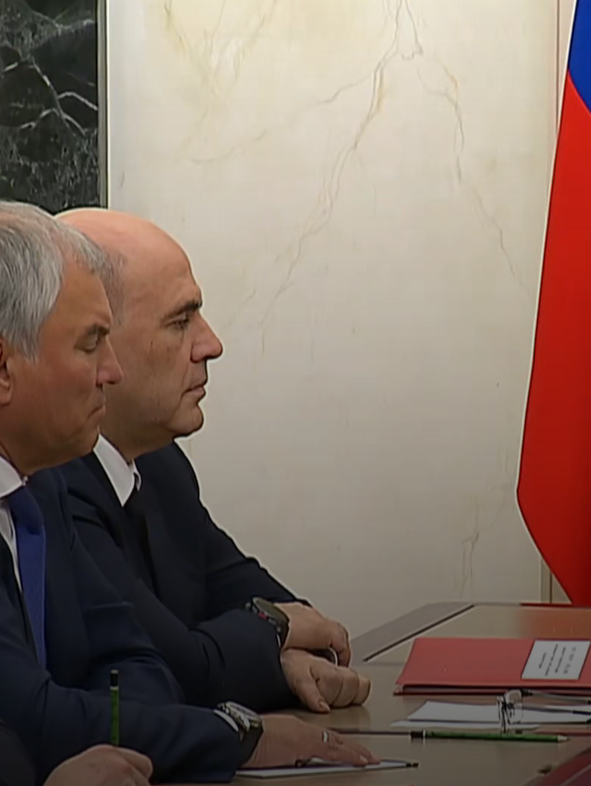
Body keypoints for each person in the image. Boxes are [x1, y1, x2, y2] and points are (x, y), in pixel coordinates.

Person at [0, 200, 376, 782]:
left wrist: (119, 726)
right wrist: (240, 730)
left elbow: (141, 665)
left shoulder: (45, 487)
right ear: (5, 368)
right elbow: (40, 719)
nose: (111, 370)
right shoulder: (60, 480)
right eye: (91, 342)